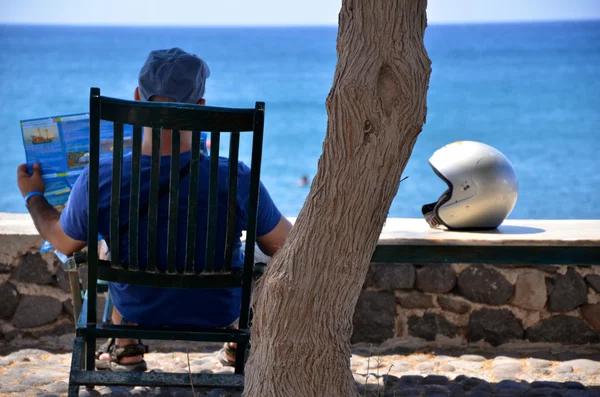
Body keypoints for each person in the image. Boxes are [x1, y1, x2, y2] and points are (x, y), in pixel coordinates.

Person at [17, 47, 292, 371]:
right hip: (219, 310)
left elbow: (62, 241)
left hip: (137, 307)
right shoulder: (237, 178)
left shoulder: (102, 178)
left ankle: (125, 344)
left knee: (111, 245)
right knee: (253, 254)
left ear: (137, 97)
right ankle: (237, 343)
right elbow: (286, 245)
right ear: (200, 107)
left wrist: (33, 197)